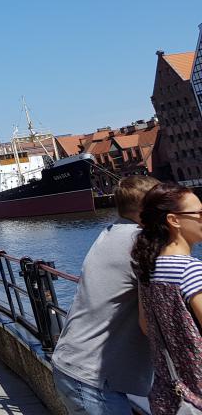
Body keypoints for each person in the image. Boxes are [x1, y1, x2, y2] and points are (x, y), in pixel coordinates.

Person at [51, 175, 159, 415]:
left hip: (75, 365)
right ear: (148, 209)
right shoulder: (141, 244)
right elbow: (149, 321)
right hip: (93, 378)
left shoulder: (110, 233)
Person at [131, 182, 202, 415]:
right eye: (199, 213)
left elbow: (145, 326)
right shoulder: (191, 271)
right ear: (174, 220)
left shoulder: (148, 268)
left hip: (168, 395)